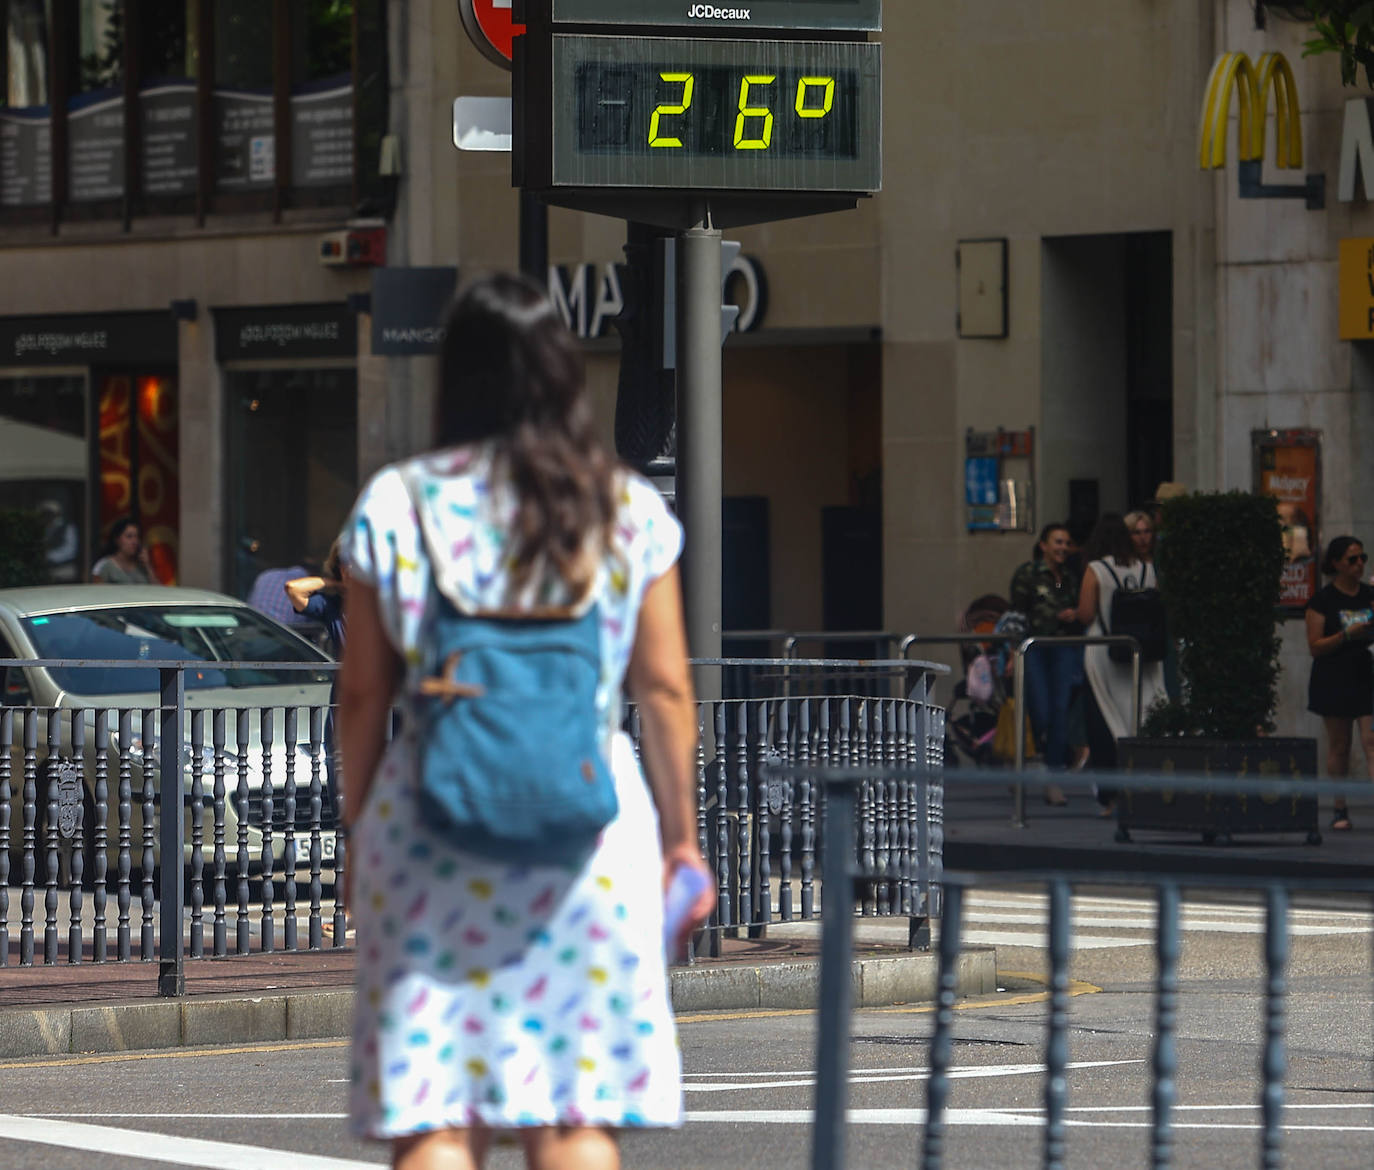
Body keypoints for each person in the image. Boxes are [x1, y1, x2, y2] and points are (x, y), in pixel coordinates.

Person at [336, 273, 715, 1170]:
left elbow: (363, 695)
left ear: (454, 378)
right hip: (587, 836)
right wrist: (680, 841)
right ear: (562, 374)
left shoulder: (401, 503)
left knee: (435, 1114)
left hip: (431, 825)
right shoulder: (621, 509)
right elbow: (663, 691)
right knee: (573, 1113)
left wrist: (358, 826)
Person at [1076, 513, 1169, 813]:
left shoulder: (1096, 570)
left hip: (1103, 653)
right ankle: (1149, 788)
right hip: (1143, 654)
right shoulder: (1147, 569)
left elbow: (1086, 614)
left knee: (1104, 721)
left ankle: (1112, 797)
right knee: (1141, 718)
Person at [1009, 523, 1084, 805]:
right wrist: (1010, 653)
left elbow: (1082, 608)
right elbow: (1016, 615)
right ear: (1043, 545)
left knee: (1060, 711)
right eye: (1057, 542)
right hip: (1035, 649)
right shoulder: (1027, 574)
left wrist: (1074, 613)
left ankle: (1052, 777)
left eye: (1066, 542)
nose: (1063, 547)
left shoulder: (1070, 575)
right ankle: (1031, 763)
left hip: (1064, 648)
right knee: (1040, 710)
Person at [1305, 535, 1374, 831]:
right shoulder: (1323, 600)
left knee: (1371, 741)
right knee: (1340, 744)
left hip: (1367, 673)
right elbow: (1315, 646)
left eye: (1363, 558)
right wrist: (1347, 634)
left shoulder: (1370, 594)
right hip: (1334, 675)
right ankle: (1339, 807)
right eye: (1352, 559)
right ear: (1336, 564)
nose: (1359, 564)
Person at [91, 516, 154, 585]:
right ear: (117, 540)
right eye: (129, 536)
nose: (134, 541)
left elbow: (157, 591)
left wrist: (148, 566)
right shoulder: (104, 565)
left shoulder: (142, 565)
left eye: (137, 536)